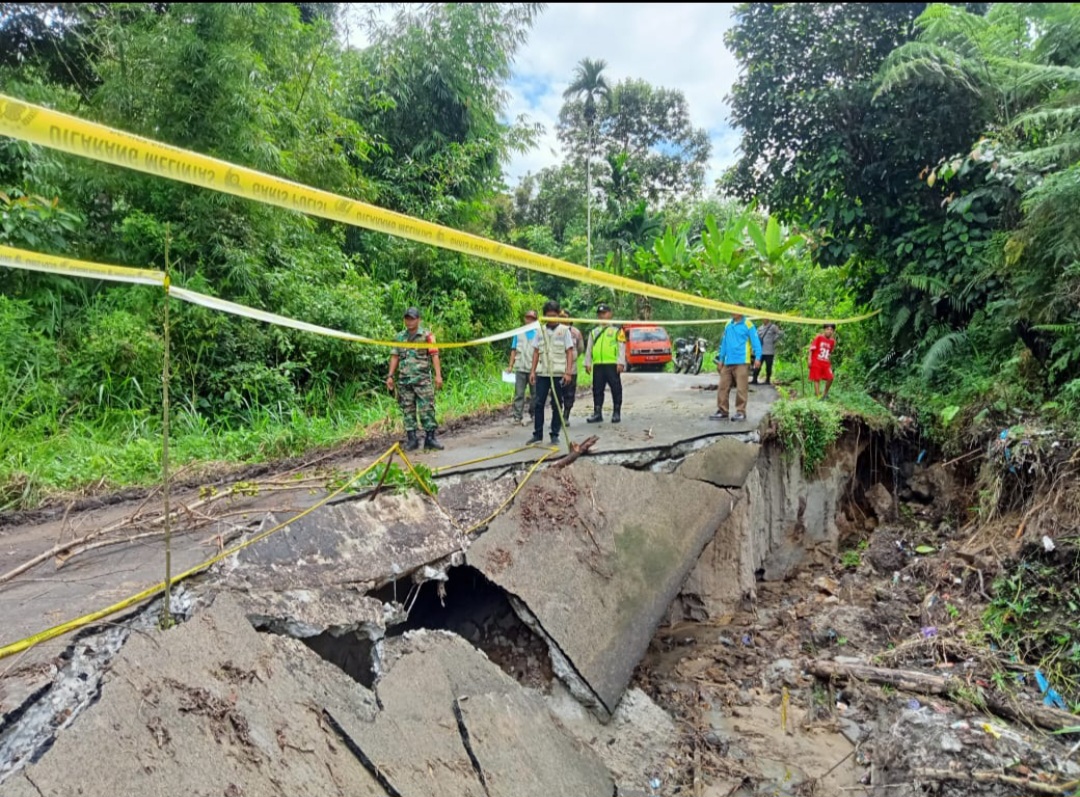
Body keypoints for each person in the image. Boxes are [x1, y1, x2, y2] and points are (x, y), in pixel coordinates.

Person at [386, 307, 444, 451]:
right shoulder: (399, 337)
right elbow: (395, 356)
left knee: (427, 409)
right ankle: (412, 440)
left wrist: (438, 376)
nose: (409, 321)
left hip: (422, 380)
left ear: (418, 319)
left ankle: (430, 439)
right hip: (405, 381)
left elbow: (434, 355)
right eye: (407, 318)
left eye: (412, 318)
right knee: (407, 410)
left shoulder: (427, 336)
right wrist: (390, 376)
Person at [529, 300, 575, 445]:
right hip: (543, 373)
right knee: (538, 403)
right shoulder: (539, 330)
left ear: (558, 315)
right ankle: (537, 434)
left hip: (559, 373)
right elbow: (536, 352)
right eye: (548, 316)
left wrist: (568, 372)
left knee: (557, 404)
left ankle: (554, 434)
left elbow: (569, 352)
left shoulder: (564, 330)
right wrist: (532, 371)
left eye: (554, 316)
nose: (551, 319)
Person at [710, 313, 762, 423]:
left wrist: (758, 357)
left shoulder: (748, 324)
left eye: (735, 309)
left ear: (740, 311)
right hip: (728, 361)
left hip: (742, 361)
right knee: (723, 386)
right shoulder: (728, 324)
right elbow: (724, 343)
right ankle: (722, 411)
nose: (732, 312)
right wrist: (721, 359)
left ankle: (740, 412)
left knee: (741, 388)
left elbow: (755, 342)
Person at [583, 303, 627, 424]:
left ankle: (616, 412)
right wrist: (587, 362)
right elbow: (589, 348)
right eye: (600, 314)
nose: (602, 316)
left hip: (611, 364)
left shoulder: (617, 330)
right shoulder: (594, 332)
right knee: (597, 389)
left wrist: (621, 362)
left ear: (610, 314)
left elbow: (621, 346)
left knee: (616, 388)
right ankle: (597, 413)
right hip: (598, 365)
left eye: (604, 313)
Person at [506, 309, 538, 426]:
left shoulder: (539, 333)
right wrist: (510, 366)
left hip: (534, 369)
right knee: (519, 394)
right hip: (520, 367)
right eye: (527, 318)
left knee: (535, 394)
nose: (529, 320)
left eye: (532, 318)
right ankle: (517, 416)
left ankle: (534, 414)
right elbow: (513, 350)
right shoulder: (518, 333)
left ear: (535, 320)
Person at [559, 309, 584, 424]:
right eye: (561, 317)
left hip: (571, 369)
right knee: (558, 393)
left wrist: (573, 357)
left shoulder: (576, 332)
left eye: (565, 317)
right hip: (557, 368)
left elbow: (580, 348)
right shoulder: (555, 331)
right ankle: (557, 416)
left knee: (569, 393)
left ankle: (566, 415)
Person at [809, 324, 837, 399]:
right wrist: (809, 360)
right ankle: (818, 397)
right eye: (828, 329)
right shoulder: (819, 337)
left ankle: (825, 394)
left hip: (825, 362)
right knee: (816, 379)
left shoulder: (832, 341)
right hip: (816, 361)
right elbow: (811, 348)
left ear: (833, 331)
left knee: (831, 378)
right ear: (824, 330)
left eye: (831, 330)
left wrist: (829, 362)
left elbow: (829, 353)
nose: (829, 331)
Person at [752, 319, 784, 385]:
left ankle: (767, 380)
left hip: (769, 351)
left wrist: (774, 339)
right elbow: (756, 337)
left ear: (768, 319)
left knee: (768, 366)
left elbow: (780, 333)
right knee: (757, 365)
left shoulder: (773, 327)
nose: (764, 319)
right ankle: (754, 379)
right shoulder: (760, 328)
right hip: (760, 351)